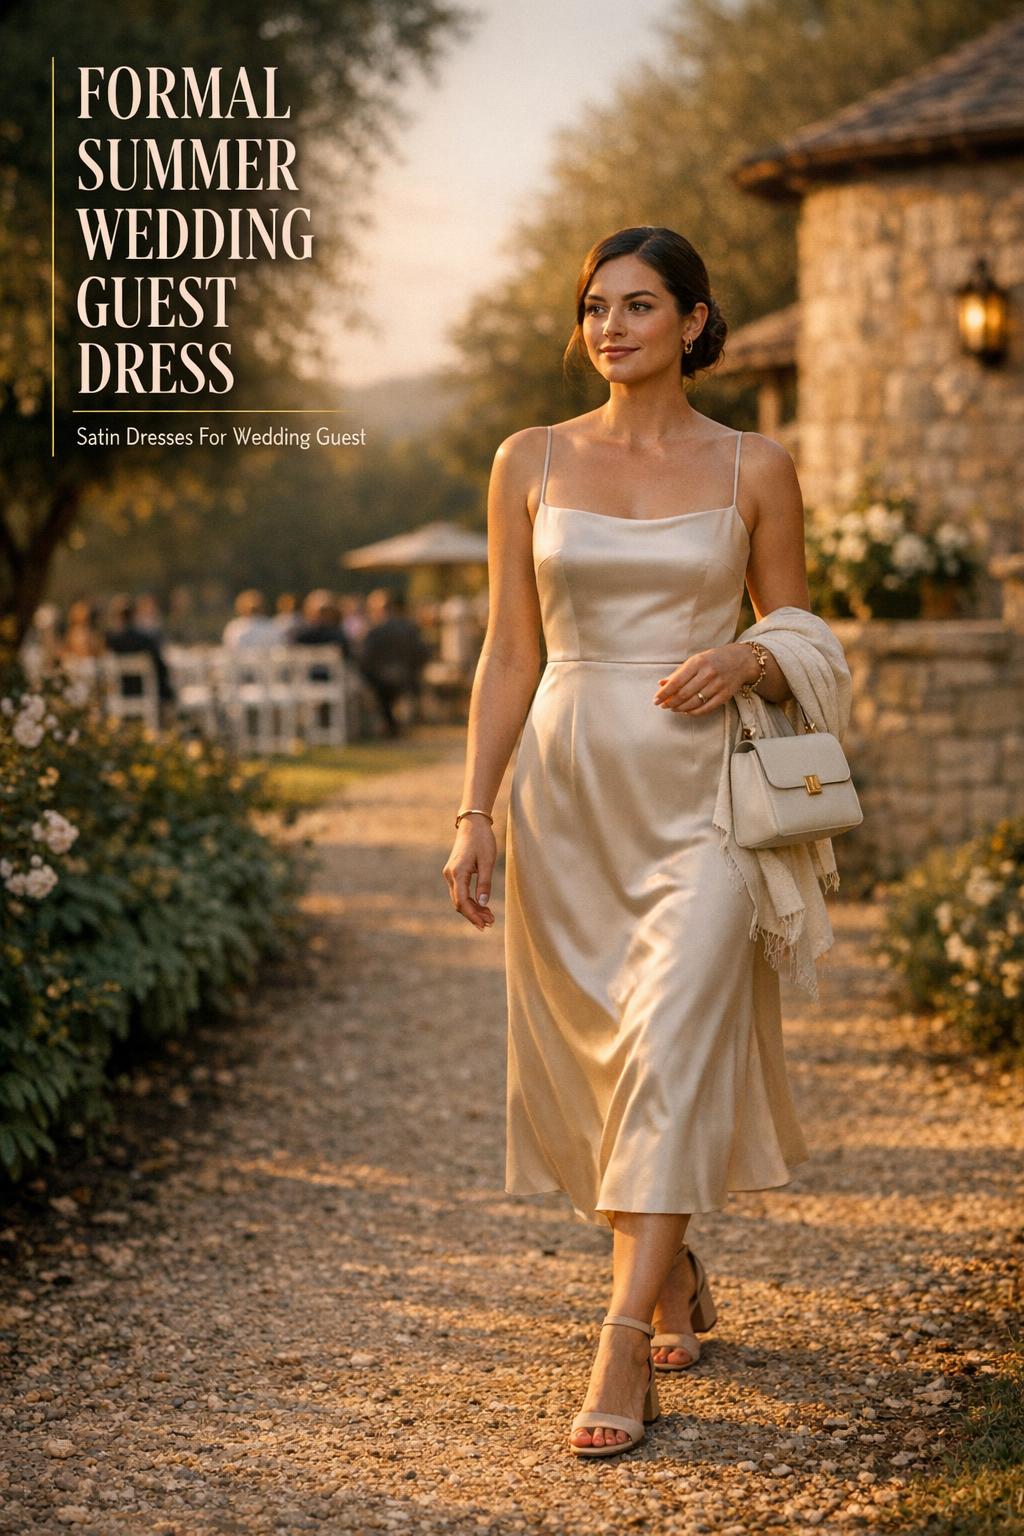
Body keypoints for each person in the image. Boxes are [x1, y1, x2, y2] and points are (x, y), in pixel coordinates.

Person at [441, 226, 852, 1459]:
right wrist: (474, 807)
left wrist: (753, 651)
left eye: (637, 306)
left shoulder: (754, 466)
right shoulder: (530, 460)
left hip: (707, 799)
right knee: (596, 1068)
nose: (609, 327)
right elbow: (512, 648)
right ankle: (668, 1268)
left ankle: (619, 1341)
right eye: (594, 307)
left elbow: (801, 625)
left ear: (692, 322)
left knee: (670, 1039)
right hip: (567, 798)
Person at [359, 589, 431, 737]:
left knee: (378, 691)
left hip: (384, 681)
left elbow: (365, 659)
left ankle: (390, 726)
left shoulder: (374, 631)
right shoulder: (409, 628)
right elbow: (423, 653)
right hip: (408, 677)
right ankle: (393, 725)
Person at [104, 593, 176, 713]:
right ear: (134, 615)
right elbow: (160, 666)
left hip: (120, 690)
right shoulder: (145, 640)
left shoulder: (111, 641)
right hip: (145, 690)